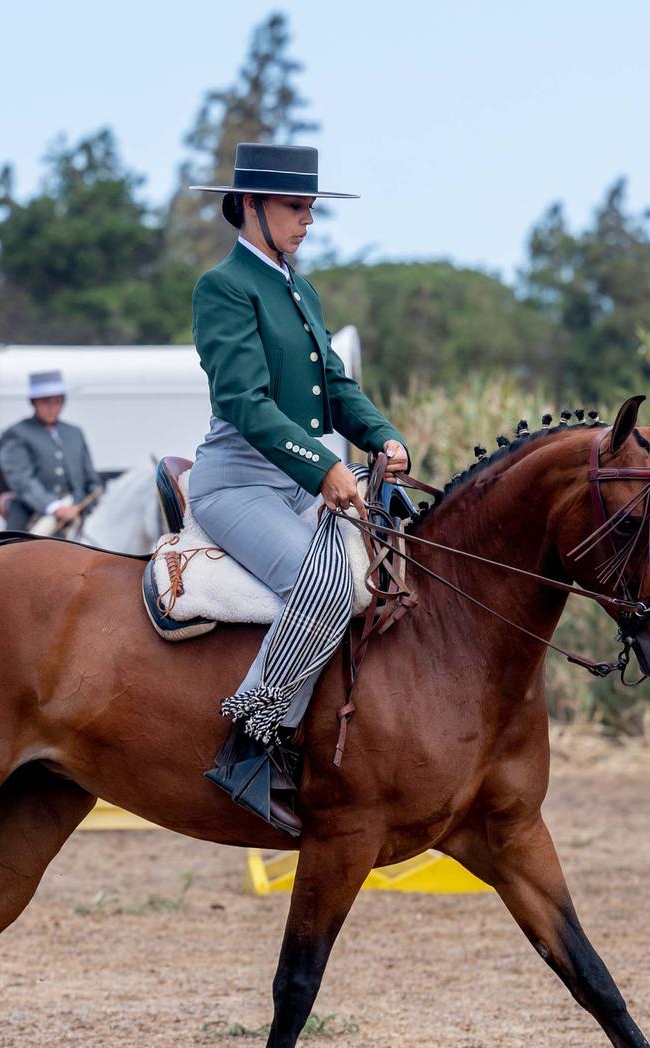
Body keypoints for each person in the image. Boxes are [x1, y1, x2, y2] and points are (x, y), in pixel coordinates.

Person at [184, 142, 410, 834]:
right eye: (295, 208)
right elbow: (247, 401)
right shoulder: (223, 288)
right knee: (329, 587)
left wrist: (380, 436)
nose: (307, 220)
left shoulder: (299, 288)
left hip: (296, 486)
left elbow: (335, 388)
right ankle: (250, 744)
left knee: (390, 579)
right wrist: (325, 467)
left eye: (311, 209)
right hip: (239, 480)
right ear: (250, 207)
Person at [0, 370, 101, 531]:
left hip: (78, 509)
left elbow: (90, 478)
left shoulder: (75, 432)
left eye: (57, 401)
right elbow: (22, 480)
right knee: (15, 549)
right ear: (34, 402)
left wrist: (83, 503)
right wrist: (55, 507)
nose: (52, 408)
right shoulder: (17, 433)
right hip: (34, 509)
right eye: (46, 402)